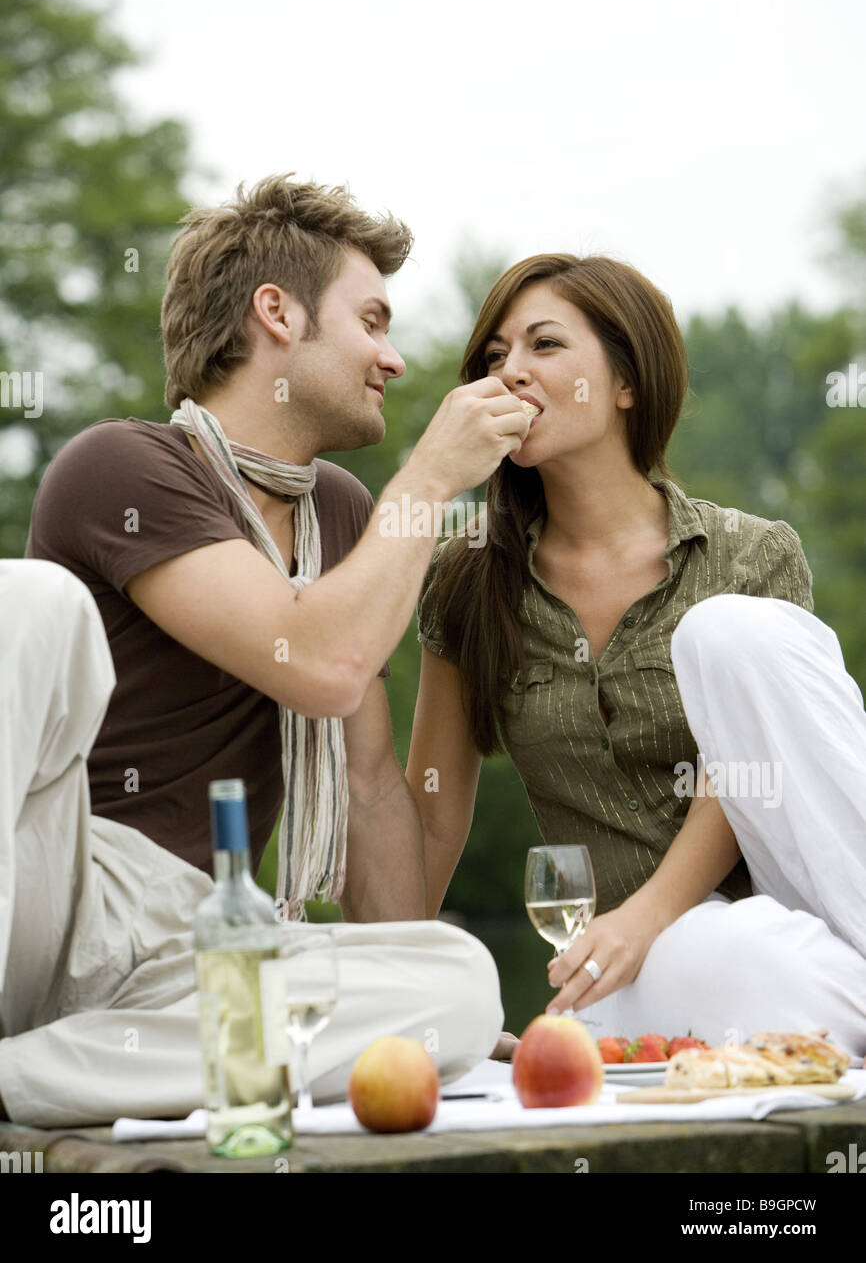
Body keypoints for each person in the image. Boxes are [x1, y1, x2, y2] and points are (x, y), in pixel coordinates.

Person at [0, 174, 529, 1129]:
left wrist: (407, 994)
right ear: (276, 314)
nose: (394, 358)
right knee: (25, 602)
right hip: (59, 884)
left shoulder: (343, 516)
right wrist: (436, 477)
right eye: (371, 320)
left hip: (201, 940)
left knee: (460, 979)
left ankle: (31, 1076)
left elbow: (368, 787)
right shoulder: (122, 467)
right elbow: (316, 663)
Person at [408, 253, 866, 1057]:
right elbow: (433, 810)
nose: (511, 371)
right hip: (623, 969)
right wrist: (403, 990)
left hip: (780, 922)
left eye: (545, 346)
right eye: (494, 356)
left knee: (727, 634)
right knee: (684, 978)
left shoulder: (750, 555)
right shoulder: (466, 577)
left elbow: (752, 766)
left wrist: (650, 917)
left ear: (625, 383)